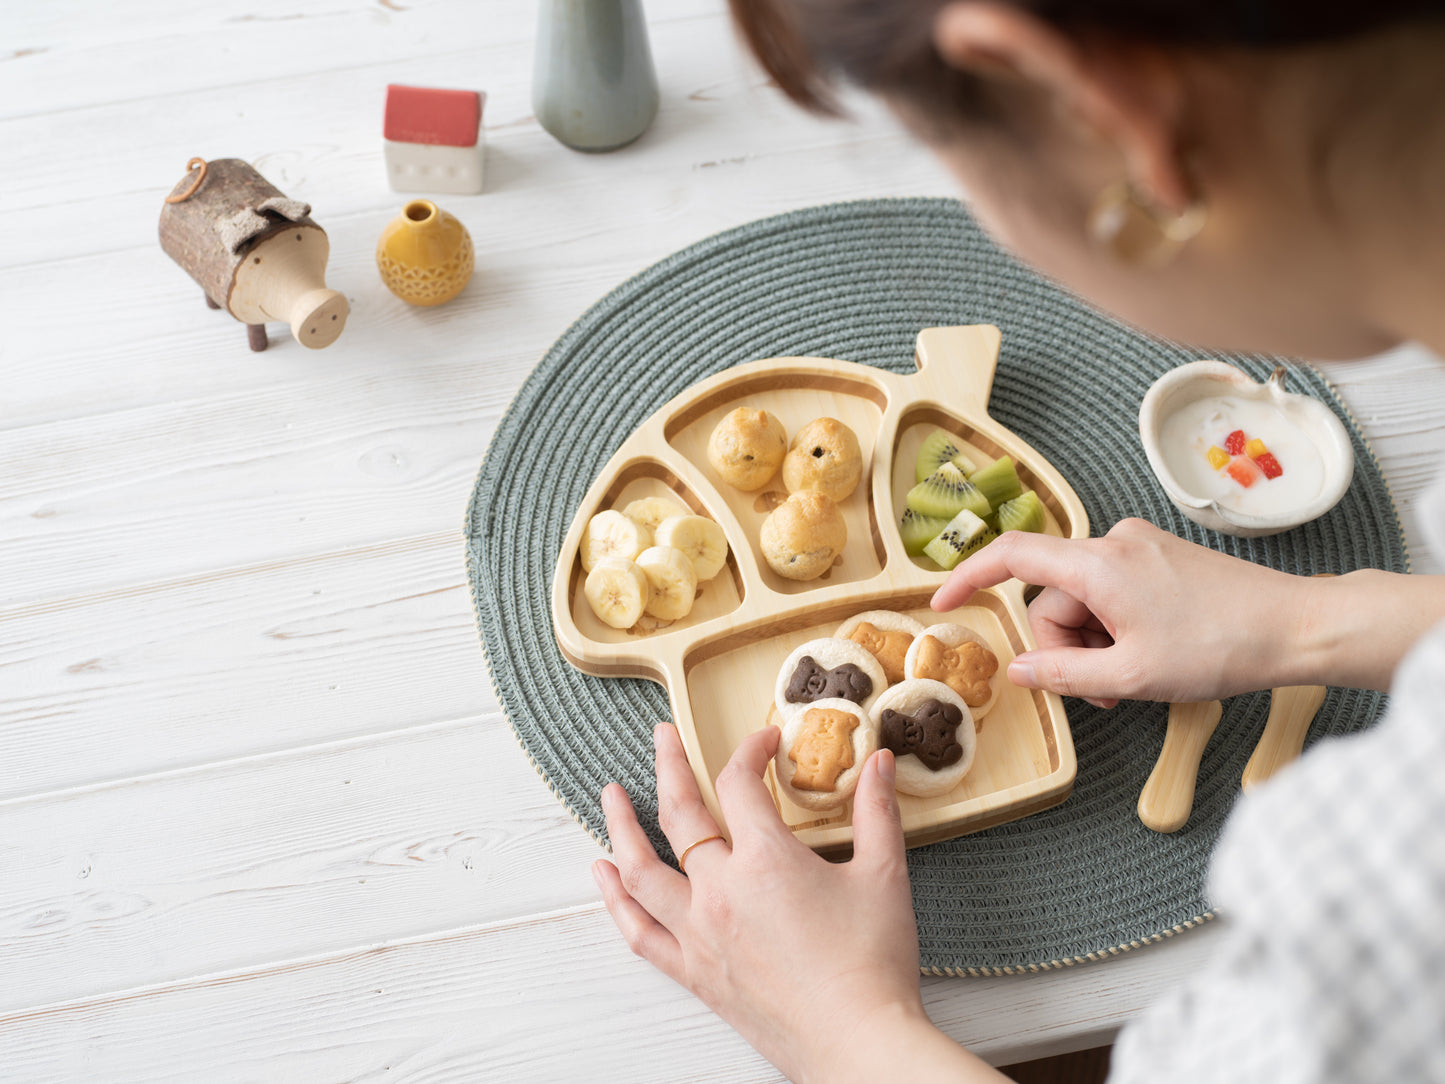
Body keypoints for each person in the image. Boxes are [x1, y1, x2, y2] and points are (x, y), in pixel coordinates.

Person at [590, 2, 1445, 1080]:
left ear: (1106, 117)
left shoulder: (1398, 872)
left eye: (944, 158)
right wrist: (1310, 624)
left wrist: (840, 1029)